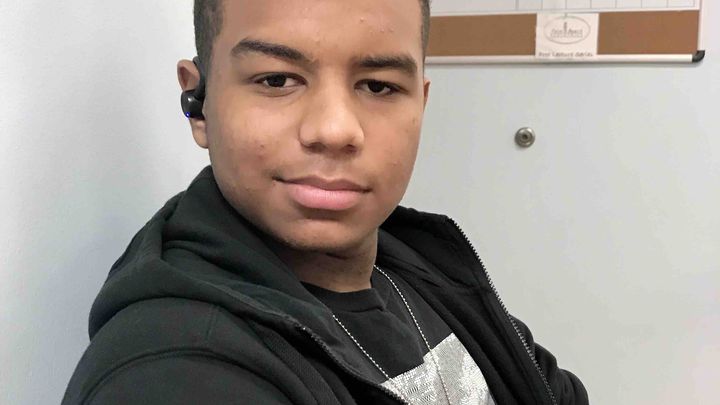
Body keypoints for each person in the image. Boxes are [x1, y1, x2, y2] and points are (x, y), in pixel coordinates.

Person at [63, 0, 588, 404]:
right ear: (198, 105)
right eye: (277, 80)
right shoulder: (174, 371)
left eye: (378, 86)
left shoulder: (424, 265)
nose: (335, 130)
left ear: (421, 103)